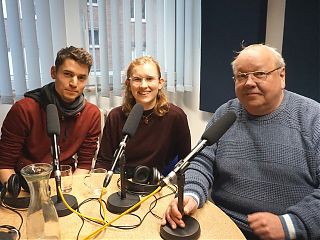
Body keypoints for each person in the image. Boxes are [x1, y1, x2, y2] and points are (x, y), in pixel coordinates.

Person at [161, 44, 320, 240]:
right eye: (241, 76)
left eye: (259, 74)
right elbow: (203, 161)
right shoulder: (225, 113)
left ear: (282, 75)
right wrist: (191, 194)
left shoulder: (313, 119)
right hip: (221, 224)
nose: (249, 82)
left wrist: (292, 224)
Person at [0, 46, 101, 186]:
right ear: (53, 72)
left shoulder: (91, 114)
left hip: (67, 182)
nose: (74, 83)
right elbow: (5, 165)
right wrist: (23, 194)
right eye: (67, 74)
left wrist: (69, 189)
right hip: (26, 184)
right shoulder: (24, 109)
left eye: (81, 77)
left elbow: (84, 164)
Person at [96, 56, 191, 177]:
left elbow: (187, 161)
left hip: (159, 183)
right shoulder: (115, 116)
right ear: (128, 84)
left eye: (150, 79)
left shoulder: (176, 116)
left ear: (160, 83)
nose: (143, 85)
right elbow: (104, 161)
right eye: (137, 79)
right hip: (122, 181)